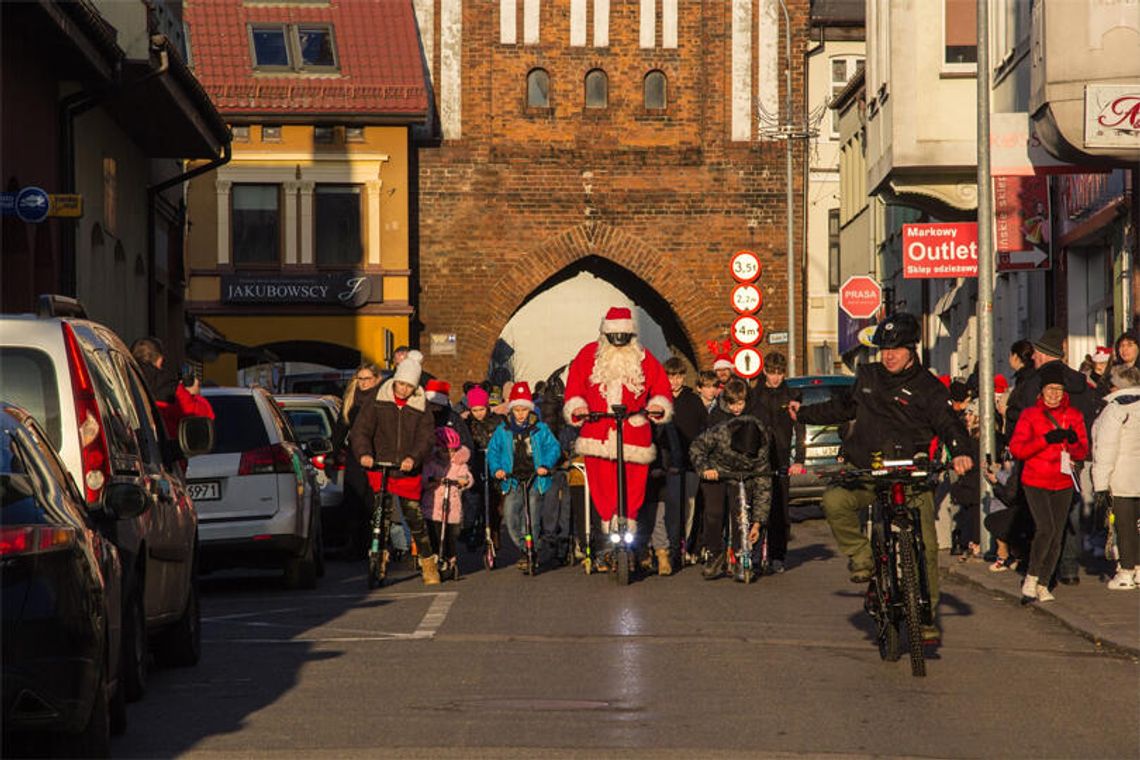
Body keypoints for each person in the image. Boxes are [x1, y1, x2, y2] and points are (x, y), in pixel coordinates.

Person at [790, 312, 974, 642]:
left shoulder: (928, 387)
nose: (888, 355)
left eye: (897, 349)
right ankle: (864, 558)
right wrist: (802, 413)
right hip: (868, 471)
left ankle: (926, 616)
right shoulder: (868, 376)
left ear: (912, 350)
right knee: (834, 500)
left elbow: (949, 423)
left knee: (927, 546)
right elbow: (841, 407)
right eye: (884, 349)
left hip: (911, 475)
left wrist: (960, 450)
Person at [564, 307, 673, 554]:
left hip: (633, 431)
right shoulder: (588, 355)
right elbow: (574, 388)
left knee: (634, 485)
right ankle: (607, 527)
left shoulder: (643, 357)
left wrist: (656, 407)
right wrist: (578, 407)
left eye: (625, 338)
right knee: (601, 484)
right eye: (615, 338)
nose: (620, 344)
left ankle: (629, 523)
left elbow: (662, 388)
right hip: (598, 430)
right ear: (606, 335)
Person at [349, 355, 441, 585]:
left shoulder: (421, 405)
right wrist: (364, 454)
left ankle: (428, 561)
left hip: (406, 468)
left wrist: (414, 457)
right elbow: (361, 430)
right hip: (380, 465)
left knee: (414, 515)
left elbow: (426, 437)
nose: (404, 390)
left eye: (409, 386)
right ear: (395, 381)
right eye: (401, 384)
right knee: (381, 516)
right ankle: (378, 559)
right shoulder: (377, 399)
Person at [1008, 361, 1089, 604]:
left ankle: (1044, 583)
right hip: (1035, 480)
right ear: (1041, 391)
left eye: (1059, 389)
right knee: (1046, 528)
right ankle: (1031, 577)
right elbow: (1018, 449)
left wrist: (1072, 441)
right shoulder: (1030, 415)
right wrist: (1046, 439)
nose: (1054, 394)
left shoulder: (1073, 416)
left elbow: (1082, 451)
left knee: (1057, 534)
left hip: (1063, 481)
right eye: (1050, 389)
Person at [689, 407, 773, 582]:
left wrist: (757, 523)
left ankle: (738, 555)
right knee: (714, 512)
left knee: (740, 514)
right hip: (716, 472)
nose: (744, 456)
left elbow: (763, 485)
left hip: (742, 477)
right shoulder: (721, 432)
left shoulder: (762, 446)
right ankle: (715, 552)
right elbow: (697, 447)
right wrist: (705, 468)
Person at [487, 382, 562, 570]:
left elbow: (554, 448)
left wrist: (546, 465)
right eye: (517, 410)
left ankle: (530, 551)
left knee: (532, 516)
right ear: (511, 410)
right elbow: (493, 452)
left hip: (535, 478)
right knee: (511, 516)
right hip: (512, 478)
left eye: (524, 410)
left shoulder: (540, 429)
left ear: (530, 410)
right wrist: (497, 469)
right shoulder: (503, 430)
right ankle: (526, 546)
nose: (520, 414)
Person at [747, 351, 805, 574]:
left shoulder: (791, 394)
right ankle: (753, 554)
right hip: (758, 459)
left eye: (780, 373)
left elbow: (800, 427)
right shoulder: (754, 395)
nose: (776, 377)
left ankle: (777, 555)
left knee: (780, 511)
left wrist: (799, 459)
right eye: (772, 373)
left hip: (781, 457)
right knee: (757, 508)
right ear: (764, 371)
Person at [1090, 364, 1140, 590]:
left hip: (1122, 478)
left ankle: (1126, 572)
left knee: (1124, 526)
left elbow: (1105, 449)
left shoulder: (1115, 409)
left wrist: (1100, 485)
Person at [331, 362, 383, 558]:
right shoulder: (351, 400)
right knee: (353, 500)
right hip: (354, 455)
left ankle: (375, 543)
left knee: (372, 501)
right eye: (360, 379)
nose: (363, 383)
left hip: (377, 454)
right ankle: (355, 544)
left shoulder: (382, 398)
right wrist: (332, 452)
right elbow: (340, 428)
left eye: (367, 379)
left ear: (377, 379)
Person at [666, 358, 707, 568]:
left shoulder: (693, 400)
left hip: (691, 463)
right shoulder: (660, 401)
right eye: (671, 376)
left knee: (689, 508)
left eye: (679, 376)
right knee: (671, 507)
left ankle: (686, 546)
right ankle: (671, 547)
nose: (675, 381)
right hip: (669, 465)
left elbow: (704, 430)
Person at [130, 337, 214, 439]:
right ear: (160, 360)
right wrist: (193, 394)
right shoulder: (168, 386)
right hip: (162, 449)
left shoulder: (123, 377)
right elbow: (201, 416)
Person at [422, 426, 472, 579]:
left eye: (452, 451)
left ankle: (451, 559)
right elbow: (425, 479)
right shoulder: (431, 464)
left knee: (451, 535)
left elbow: (467, 477)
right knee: (434, 535)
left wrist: (464, 480)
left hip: (452, 509)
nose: (449, 454)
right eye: (445, 451)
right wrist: (432, 480)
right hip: (433, 507)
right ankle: (435, 557)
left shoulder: (459, 464)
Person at [463, 386, 504, 548]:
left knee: (495, 504)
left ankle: (494, 533)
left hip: (494, 464)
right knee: (475, 501)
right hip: (476, 464)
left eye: (481, 409)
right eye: (475, 410)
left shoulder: (497, 422)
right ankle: (474, 530)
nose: (479, 413)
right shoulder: (467, 424)